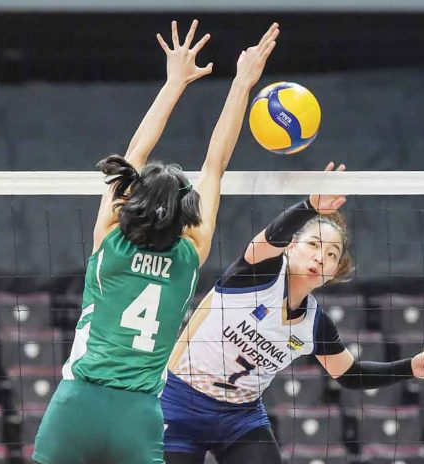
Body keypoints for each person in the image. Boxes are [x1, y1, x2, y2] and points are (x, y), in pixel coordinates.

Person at [32, 19, 280, 464]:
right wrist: (242, 83)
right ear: (187, 214)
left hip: (76, 406)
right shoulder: (191, 253)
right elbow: (215, 165)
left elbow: (134, 155)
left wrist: (174, 82)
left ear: (131, 198)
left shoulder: (109, 239)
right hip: (139, 415)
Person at [162, 164, 424, 464]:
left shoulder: (315, 324)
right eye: (313, 245)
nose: (320, 257)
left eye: (331, 255)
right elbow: (270, 237)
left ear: (334, 272)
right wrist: (309, 205)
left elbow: (350, 375)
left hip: (239, 418)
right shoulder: (257, 273)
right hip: (182, 402)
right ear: (291, 247)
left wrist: (410, 367)